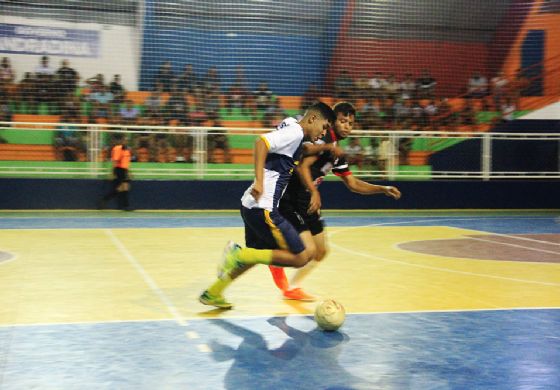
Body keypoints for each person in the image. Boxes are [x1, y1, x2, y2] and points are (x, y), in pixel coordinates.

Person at [199, 101, 336, 309]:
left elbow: (300, 147)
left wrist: (325, 147)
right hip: (264, 208)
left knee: (255, 255)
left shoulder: (291, 125)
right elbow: (261, 142)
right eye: (324, 127)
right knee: (302, 256)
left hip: (250, 205)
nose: (324, 133)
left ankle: (213, 292)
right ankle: (237, 253)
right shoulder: (296, 132)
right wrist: (261, 181)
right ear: (313, 118)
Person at [269, 102, 401, 301]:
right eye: (342, 121)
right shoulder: (324, 140)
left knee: (321, 250)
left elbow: (353, 183)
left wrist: (382, 189)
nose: (347, 126)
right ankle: (274, 259)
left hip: (307, 200)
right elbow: (303, 165)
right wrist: (314, 191)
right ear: (332, 121)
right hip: (293, 197)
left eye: (350, 123)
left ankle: (293, 287)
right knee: (307, 250)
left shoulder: (336, 152)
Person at [98, 134, 133, 211]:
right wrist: (112, 173)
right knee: (123, 187)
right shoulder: (117, 149)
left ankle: (106, 200)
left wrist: (129, 172)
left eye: (127, 140)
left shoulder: (127, 150)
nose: (125, 142)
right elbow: (115, 161)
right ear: (121, 141)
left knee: (123, 188)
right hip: (119, 169)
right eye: (124, 140)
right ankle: (125, 206)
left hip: (124, 170)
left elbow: (127, 162)